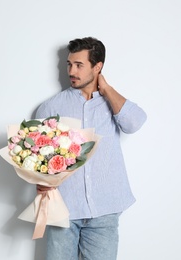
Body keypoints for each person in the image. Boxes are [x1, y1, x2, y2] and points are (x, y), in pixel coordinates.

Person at [35, 37, 147, 260]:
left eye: (79, 65)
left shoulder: (111, 103)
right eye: (69, 64)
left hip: (104, 210)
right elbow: (38, 155)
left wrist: (105, 89)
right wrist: (40, 180)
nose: (71, 71)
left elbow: (134, 123)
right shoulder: (51, 107)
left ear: (98, 67)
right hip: (64, 209)